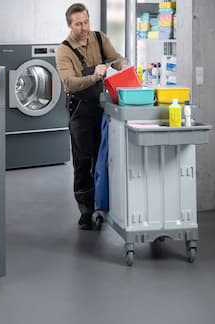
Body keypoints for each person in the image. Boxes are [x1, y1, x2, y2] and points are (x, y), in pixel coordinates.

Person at [55, 3, 128, 230]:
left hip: (101, 107)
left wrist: (124, 67)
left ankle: (102, 205)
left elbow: (115, 58)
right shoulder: (64, 50)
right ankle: (86, 211)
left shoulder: (99, 38)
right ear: (69, 25)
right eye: (78, 24)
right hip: (80, 110)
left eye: (86, 22)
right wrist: (95, 76)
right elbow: (70, 83)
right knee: (83, 161)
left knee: (103, 158)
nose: (84, 27)